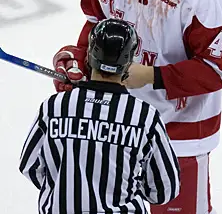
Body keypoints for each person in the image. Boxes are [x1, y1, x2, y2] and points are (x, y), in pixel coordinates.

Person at [52, 0, 222, 214]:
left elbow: (217, 70)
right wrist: (77, 59)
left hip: (178, 135)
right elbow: (95, 30)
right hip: (118, 128)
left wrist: (154, 76)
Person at [19, 18, 180, 214]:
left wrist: (64, 187)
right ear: (129, 62)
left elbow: (29, 165)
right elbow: (164, 189)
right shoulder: (145, 117)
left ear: (88, 55)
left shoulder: (55, 106)